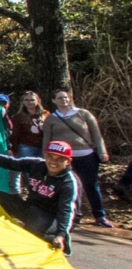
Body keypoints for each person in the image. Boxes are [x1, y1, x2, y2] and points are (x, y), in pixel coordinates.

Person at [0, 142, 77, 255]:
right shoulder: (37, 164)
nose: (53, 162)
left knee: (30, 235)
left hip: (51, 218)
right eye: (50, 157)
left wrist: (61, 234)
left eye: (59, 159)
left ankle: (54, 239)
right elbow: (9, 162)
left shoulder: (68, 182)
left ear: (68, 161)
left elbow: (66, 210)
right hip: (30, 209)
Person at [43, 88, 111, 228]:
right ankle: (75, 215)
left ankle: (100, 216)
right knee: (71, 186)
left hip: (87, 155)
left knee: (91, 185)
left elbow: (96, 135)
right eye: (60, 98)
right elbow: (47, 138)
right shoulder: (51, 118)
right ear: (54, 101)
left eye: (66, 97)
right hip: (63, 158)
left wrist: (102, 151)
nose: (64, 100)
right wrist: (46, 156)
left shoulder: (83, 114)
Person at [9, 91, 46, 194]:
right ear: (23, 102)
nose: (29, 102)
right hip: (26, 146)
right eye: (26, 100)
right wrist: (14, 150)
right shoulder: (18, 116)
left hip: (43, 146)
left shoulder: (46, 115)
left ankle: (41, 194)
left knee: (42, 171)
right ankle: (31, 194)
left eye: (32, 100)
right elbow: (15, 134)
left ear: (38, 101)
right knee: (29, 171)